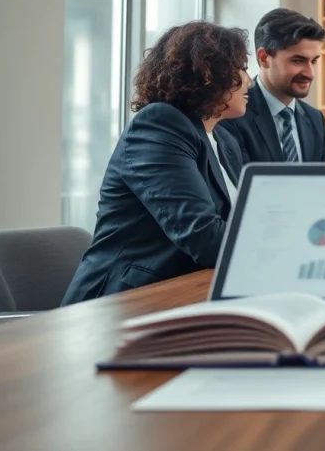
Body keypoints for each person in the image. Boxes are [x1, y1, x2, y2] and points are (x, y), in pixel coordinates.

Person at [61, 21, 250, 305]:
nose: (249, 80)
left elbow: (243, 222)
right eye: (242, 68)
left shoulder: (225, 140)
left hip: (186, 292)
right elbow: (203, 236)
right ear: (209, 74)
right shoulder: (160, 125)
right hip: (120, 305)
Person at [219, 8, 325, 164]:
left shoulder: (315, 119)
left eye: (314, 61)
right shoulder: (232, 115)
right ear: (264, 58)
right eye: (298, 60)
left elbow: (322, 184)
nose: (311, 73)